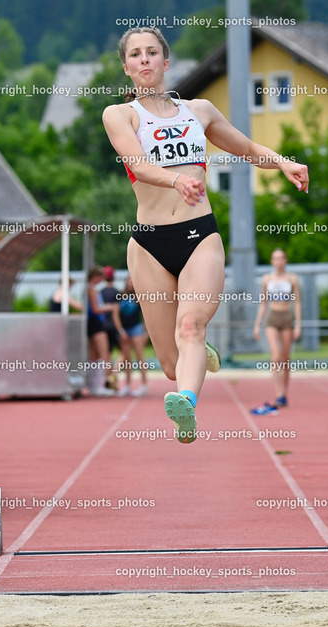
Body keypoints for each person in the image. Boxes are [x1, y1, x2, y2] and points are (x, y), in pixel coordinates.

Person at [102, 27, 309, 443]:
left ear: (165, 60)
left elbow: (247, 149)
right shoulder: (119, 115)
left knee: (191, 326)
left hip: (199, 236)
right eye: (136, 55)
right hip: (148, 245)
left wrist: (285, 163)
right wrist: (176, 181)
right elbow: (139, 166)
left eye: (152, 53)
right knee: (169, 363)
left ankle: (187, 409)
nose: (145, 60)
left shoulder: (200, 111)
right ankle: (196, 361)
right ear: (126, 68)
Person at [252, 249, 301, 415]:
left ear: (285, 260)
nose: (278, 261)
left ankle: (284, 395)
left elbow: (298, 302)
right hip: (272, 318)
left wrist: (299, 325)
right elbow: (263, 303)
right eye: (275, 258)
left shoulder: (292, 278)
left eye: (281, 258)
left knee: (286, 359)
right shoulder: (267, 279)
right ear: (272, 261)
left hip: (286, 317)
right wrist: (257, 325)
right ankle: (278, 394)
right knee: (276, 357)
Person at [87, 266, 126, 397]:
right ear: (96, 277)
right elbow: (96, 309)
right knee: (103, 355)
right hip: (96, 323)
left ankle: (94, 385)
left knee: (95, 356)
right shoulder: (91, 290)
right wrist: (109, 308)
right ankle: (99, 385)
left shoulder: (91, 289)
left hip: (92, 323)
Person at [117, 276, 149, 397]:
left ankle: (144, 384)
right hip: (125, 329)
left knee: (140, 357)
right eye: (128, 281)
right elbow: (116, 314)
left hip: (136, 329)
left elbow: (146, 315)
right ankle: (127, 385)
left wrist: (146, 332)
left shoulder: (139, 297)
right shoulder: (120, 296)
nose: (130, 283)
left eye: (132, 281)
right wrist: (120, 330)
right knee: (127, 359)